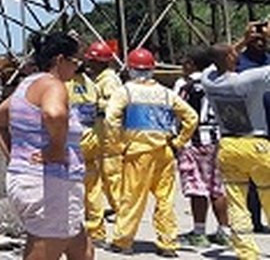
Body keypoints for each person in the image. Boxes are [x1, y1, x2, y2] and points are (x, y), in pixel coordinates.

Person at [0, 33, 91, 260]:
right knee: (44, 249)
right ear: (60, 60)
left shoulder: (28, 85)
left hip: (33, 181)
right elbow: (54, 114)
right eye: (75, 62)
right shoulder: (53, 86)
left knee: (82, 249)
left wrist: (15, 158)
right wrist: (56, 149)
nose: (77, 68)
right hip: (50, 185)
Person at [104, 48, 197, 256]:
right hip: (164, 151)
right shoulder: (166, 93)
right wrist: (179, 142)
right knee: (165, 199)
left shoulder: (125, 91)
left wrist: (117, 145)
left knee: (132, 198)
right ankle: (168, 243)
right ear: (152, 69)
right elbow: (191, 117)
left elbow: (111, 120)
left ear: (130, 69)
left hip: (137, 152)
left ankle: (123, 240)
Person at [202, 27, 270, 260]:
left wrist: (243, 40)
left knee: (237, 202)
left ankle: (246, 253)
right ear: (232, 58)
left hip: (229, 145)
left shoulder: (209, 81)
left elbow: (215, 62)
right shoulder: (251, 79)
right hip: (257, 144)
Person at [172, 47, 230, 247]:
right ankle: (225, 231)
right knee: (217, 187)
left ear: (192, 64)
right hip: (216, 139)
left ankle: (198, 232)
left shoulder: (187, 87)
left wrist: (175, 139)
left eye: (184, 63)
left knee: (197, 187)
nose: (182, 68)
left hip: (194, 141)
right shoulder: (217, 84)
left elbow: (178, 113)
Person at [66, 42, 106, 243]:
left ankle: (74, 231)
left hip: (73, 143)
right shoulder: (91, 85)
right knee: (93, 187)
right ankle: (97, 230)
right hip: (92, 139)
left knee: (72, 188)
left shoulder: (64, 85)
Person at [235, 22, 269, 233]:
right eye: (254, 38)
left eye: (262, 38)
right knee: (252, 179)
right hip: (250, 126)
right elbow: (218, 60)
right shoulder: (239, 60)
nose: (259, 40)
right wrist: (243, 39)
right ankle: (254, 220)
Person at [85, 40, 123, 215]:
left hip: (109, 132)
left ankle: (122, 212)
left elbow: (115, 105)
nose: (88, 64)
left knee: (111, 174)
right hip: (101, 131)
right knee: (101, 174)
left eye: (91, 60)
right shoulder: (99, 79)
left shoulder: (108, 80)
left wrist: (93, 103)